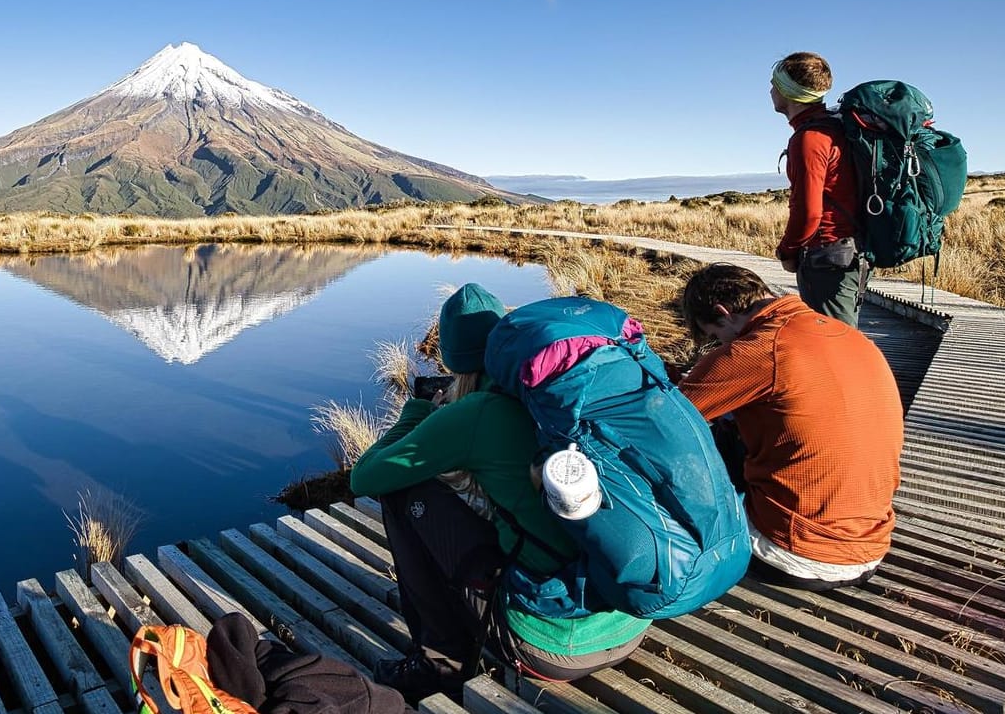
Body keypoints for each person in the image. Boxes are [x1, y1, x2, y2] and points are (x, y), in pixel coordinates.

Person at [350, 284, 649, 703]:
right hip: (629, 619)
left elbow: (364, 478)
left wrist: (415, 413)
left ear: (454, 360)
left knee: (404, 490)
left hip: (550, 648)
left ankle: (440, 660)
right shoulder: (558, 393)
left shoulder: (474, 414)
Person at [677, 263, 903, 590]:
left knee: (690, 445)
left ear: (723, 313)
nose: (720, 346)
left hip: (797, 552)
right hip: (871, 545)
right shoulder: (849, 336)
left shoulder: (755, 349)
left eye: (715, 337)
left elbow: (663, 419)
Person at [770, 51, 867, 326]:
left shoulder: (809, 139)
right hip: (846, 252)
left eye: (775, 84)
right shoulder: (832, 127)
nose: (770, 90)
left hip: (827, 255)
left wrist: (787, 251)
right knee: (840, 337)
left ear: (790, 92)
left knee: (834, 342)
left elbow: (809, 212)